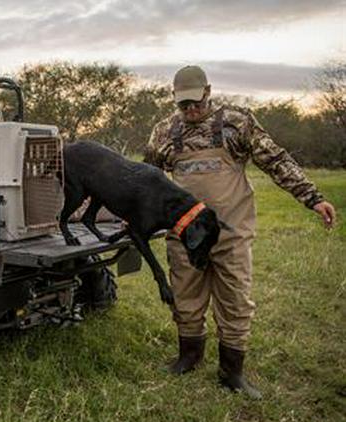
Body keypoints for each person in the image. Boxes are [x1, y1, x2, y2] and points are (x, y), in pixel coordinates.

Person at [143, 65, 337, 399]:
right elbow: (147, 180)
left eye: (196, 102)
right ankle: (188, 357)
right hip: (184, 235)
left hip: (230, 234)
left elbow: (276, 160)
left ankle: (231, 373)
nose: (190, 110)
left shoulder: (237, 122)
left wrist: (313, 198)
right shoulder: (164, 131)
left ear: (208, 92)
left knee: (234, 300)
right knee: (186, 298)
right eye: (183, 104)